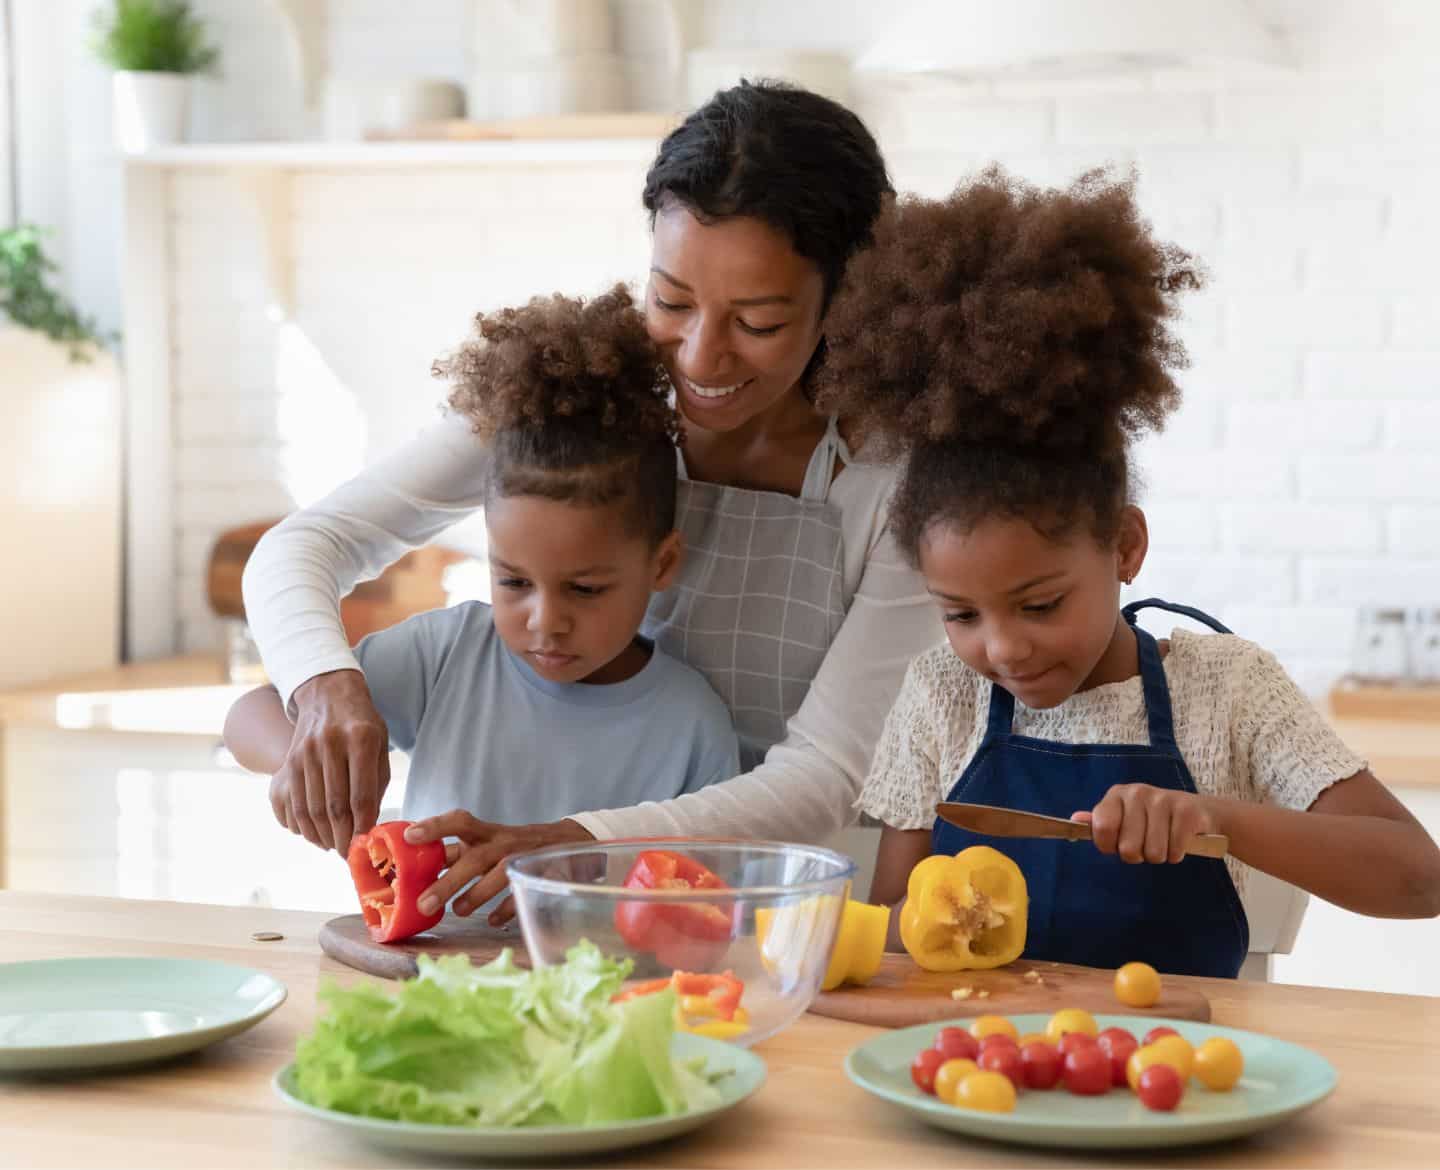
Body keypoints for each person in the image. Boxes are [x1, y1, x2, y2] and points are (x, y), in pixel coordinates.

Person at [239, 81, 938, 920]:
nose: (701, 356)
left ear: (845, 301)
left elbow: (826, 779)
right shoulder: (576, 400)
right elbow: (306, 544)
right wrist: (325, 689)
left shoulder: (901, 478)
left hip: (782, 905)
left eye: (757, 321)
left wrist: (574, 845)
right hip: (549, 895)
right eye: (671, 301)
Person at [813, 168, 1440, 977]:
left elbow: (1421, 878)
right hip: (986, 1073)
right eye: (961, 614)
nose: (1002, 648)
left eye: (1039, 604)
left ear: (1125, 546)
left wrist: (1217, 819)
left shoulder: (1229, 690)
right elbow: (894, 926)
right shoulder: (942, 695)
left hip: (1178, 1078)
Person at [225, 289, 740, 886]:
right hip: (424, 977)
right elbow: (248, 715)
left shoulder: (693, 725)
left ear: (661, 564)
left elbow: (711, 890)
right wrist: (305, 767)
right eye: (514, 581)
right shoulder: (447, 655)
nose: (545, 621)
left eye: (586, 589)